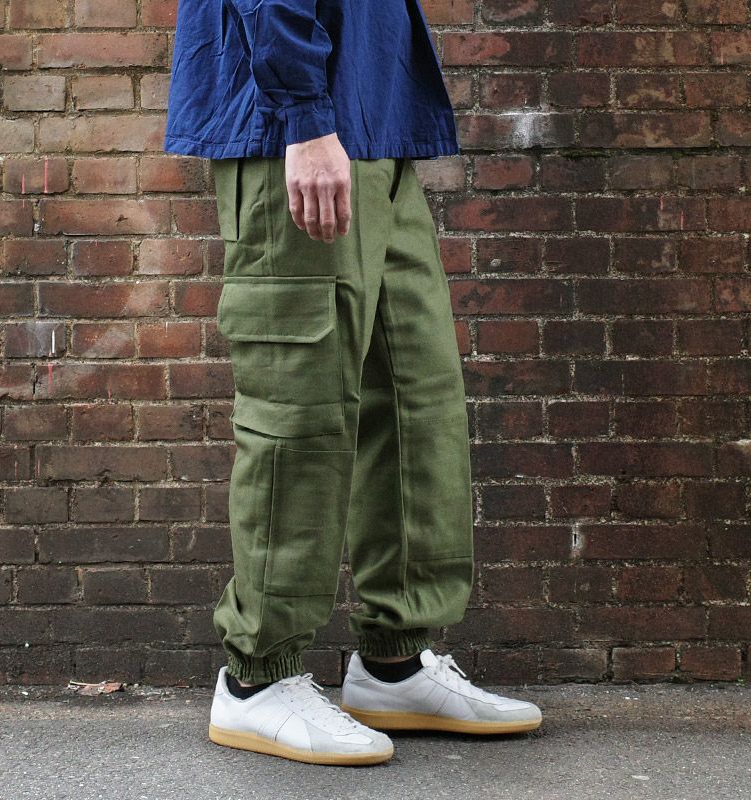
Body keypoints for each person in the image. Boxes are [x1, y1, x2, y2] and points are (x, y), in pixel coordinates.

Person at [164, 0, 543, 766]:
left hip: (374, 126)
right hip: (294, 125)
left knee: (415, 402)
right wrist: (303, 115)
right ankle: (257, 679)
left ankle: (394, 663)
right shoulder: (299, 117)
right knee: (296, 407)